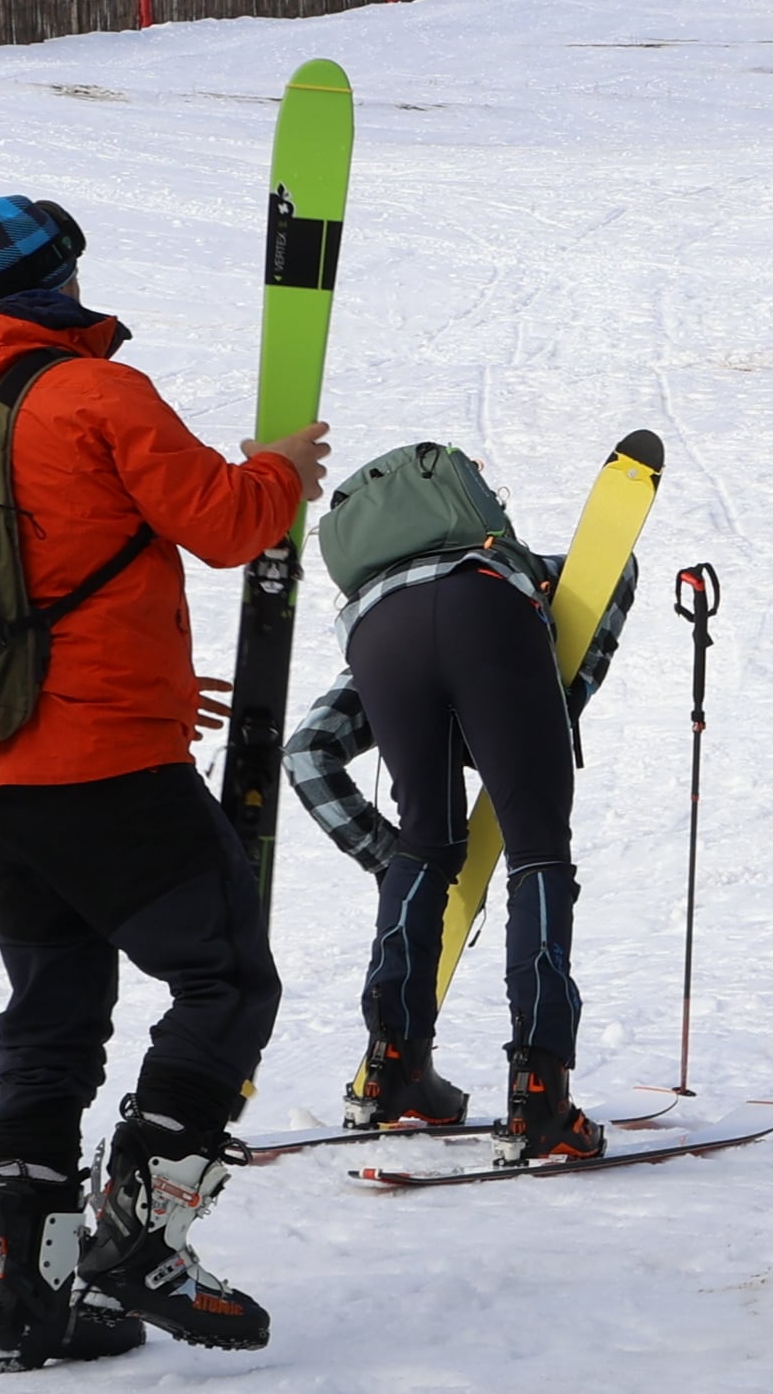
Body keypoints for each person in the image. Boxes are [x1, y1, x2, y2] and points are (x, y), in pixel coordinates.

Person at [0, 195, 329, 1368]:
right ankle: (140, 1237)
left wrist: (142, 679)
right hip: (103, 765)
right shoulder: (94, 392)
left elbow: (11, 591)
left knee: (50, 1021)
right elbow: (226, 522)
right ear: (56, 276)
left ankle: (27, 1301)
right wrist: (279, 468)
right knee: (227, 978)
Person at [284, 475, 640, 1160]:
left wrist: (390, 862)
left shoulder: (380, 604)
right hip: (491, 617)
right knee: (537, 850)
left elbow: (306, 753)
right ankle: (540, 1096)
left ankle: (394, 1075)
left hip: (378, 643)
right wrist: (562, 694)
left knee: (426, 844)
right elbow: (612, 566)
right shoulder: (499, 564)